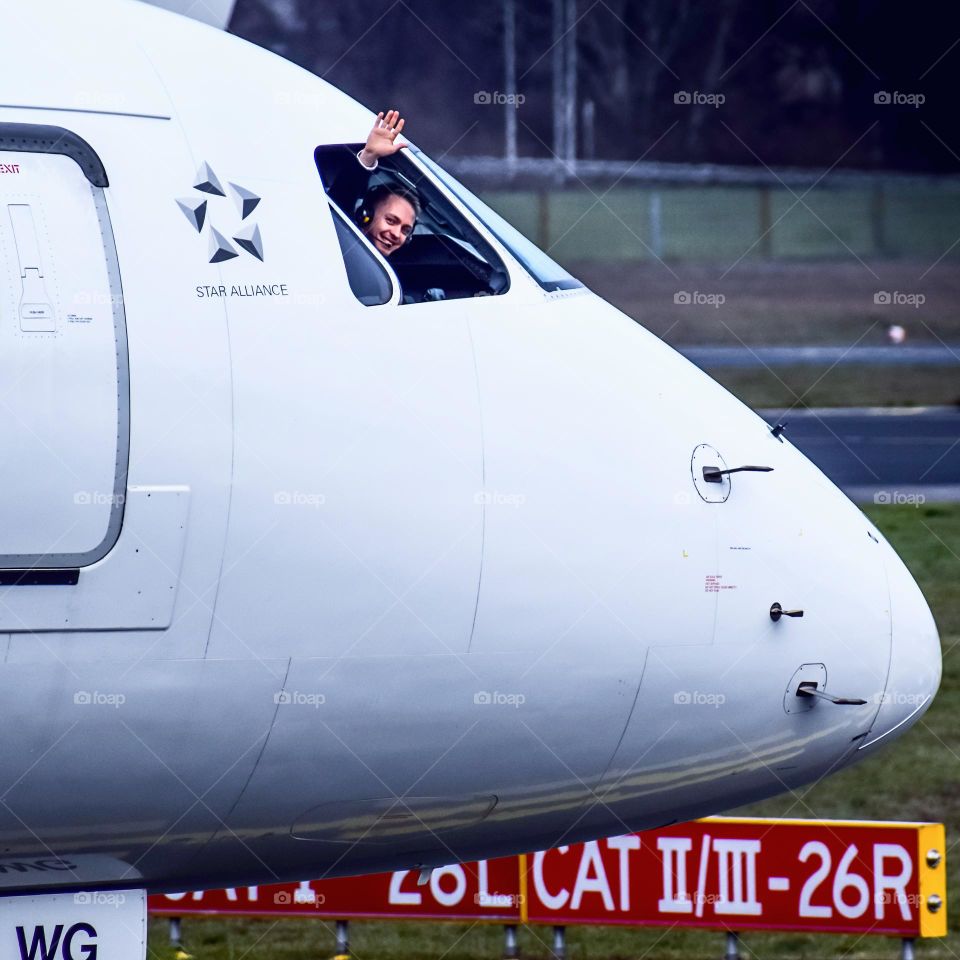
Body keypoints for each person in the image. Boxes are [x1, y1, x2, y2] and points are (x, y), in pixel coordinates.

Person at [328, 109, 421, 258]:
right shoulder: (335, 239)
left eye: (405, 230)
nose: (396, 234)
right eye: (390, 220)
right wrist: (369, 156)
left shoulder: (389, 272)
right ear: (365, 214)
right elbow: (341, 198)